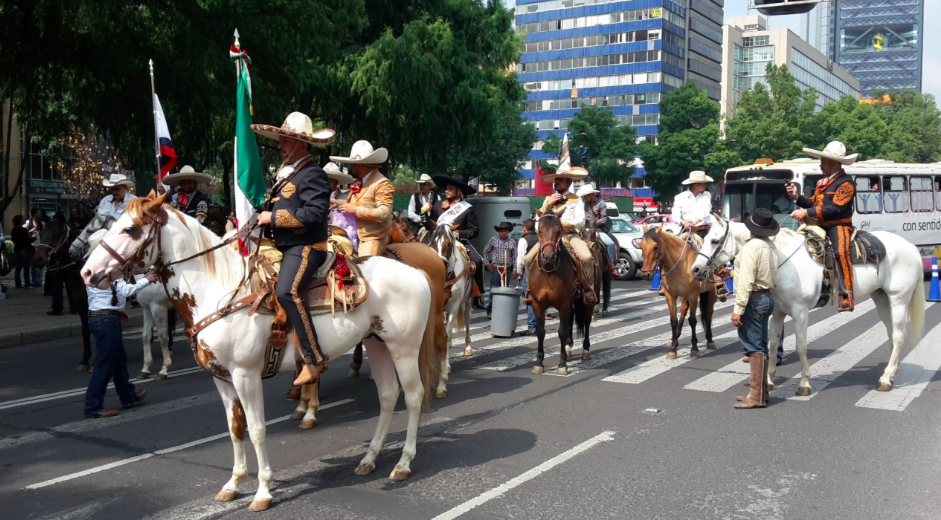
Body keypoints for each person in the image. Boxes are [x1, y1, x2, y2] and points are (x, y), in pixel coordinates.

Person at [252, 111, 336, 386]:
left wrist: (273, 217)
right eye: (280, 140)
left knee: (287, 291)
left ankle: (314, 358)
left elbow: (315, 213)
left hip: (307, 246)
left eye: (285, 140)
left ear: (301, 144)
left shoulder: (313, 174)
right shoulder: (289, 174)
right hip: (284, 246)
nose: (280, 145)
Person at [82, 229, 153, 418]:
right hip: (106, 321)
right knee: (105, 363)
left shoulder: (93, 267)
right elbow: (126, 290)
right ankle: (93, 406)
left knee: (118, 359)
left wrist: (117, 309)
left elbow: (106, 293)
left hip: (102, 317)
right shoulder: (107, 269)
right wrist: (147, 280)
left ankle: (128, 395)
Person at [787, 141, 858, 312]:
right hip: (819, 224)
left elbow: (834, 208)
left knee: (840, 252)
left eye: (823, 162)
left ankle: (847, 293)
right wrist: (797, 197)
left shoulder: (846, 183)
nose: (820, 165)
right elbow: (814, 203)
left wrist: (806, 212)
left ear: (834, 163)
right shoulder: (824, 183)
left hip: (838, 225)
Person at [728, 208, 779, 410]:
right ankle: (761, 393)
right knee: (761, 346)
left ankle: (756, 396)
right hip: (766, 296)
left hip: (754, 299)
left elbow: (747, 280)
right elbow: (761, 273)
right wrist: (732, 273)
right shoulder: (769, 246)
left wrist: (738, 309)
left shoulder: (750, 247)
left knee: (754, 347)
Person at [535, 166, 597, 304]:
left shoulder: (577, 199)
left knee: (586, 257)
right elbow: (537, 222)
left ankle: (588, 290)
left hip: (569, 236)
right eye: (556, 180)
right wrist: (548, 205)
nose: (557, 182)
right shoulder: (548, 199)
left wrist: (561, 224)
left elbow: (581, 221)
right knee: (528, 258)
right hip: (549, 238)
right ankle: (531, 290)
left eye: (560, 180)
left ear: (568, 182)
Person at [427, 172, 484, 309]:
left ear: (459, 191)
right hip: (438, 241)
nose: (446, 191)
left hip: (458, 242)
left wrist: (457, 233)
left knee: (477, 260)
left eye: (450, 189)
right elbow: (430, 226)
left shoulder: (467, 209)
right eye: (446, 188)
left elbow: (474, 231)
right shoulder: (438, 205)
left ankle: (478, 294)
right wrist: (425, 215)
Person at [671, 170, 728, 301]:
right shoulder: (680, 197)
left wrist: (694, 222)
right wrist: (683, 222)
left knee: (714, 251)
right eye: (703, 183)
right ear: (696, 184)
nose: (705, 186)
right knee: (670, 251)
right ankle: (666, 282)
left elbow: (705, 211)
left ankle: (718, 282)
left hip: (703, 230)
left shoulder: (706, 195)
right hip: (686, 230)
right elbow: (675, 214)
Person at [332, 141, 394, 257]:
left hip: (371, 237)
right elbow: (354, 203)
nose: (350, 167)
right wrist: (337, 203)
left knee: (362, 267)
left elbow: (384, 213)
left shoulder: (382, 184)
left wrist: (355, 210)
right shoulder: (359, 182)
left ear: (359, 165)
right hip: (351, 233)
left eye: (352, 164)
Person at [484, 222, 517, 318]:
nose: (503, 233)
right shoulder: (493, 240)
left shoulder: (512, 242)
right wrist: (487, 263)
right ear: (499, 232)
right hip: (496, 268)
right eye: (501, 231)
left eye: (505, 231)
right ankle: (490, 311)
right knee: (494, 289)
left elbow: (515, 256)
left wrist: (515, 269)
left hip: (507, 268)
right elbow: (485, 251)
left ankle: (502, 310)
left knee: (504, 290)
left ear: (508, 232)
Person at [578, 183, 616, 267]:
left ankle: (611, 265)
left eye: (585, 196)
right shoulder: (585, 204)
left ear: (591, 195)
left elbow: (604, 219)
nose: (584, 198)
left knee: (610, 243)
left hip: (598, 229)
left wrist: (594, 223)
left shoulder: (601, 204)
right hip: (586, 228)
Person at [514, 219, 539, 335]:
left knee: (529, 299)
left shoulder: (523, 240)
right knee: (539, 299)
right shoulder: (539, 238)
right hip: (541, 272)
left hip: (529, 272)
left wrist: (519, 272)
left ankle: (532, 326)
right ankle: (539, 326)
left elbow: (521, 259)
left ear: (525, 228)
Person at [45, 211, 70, 316]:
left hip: (59, 260)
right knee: (69, 285)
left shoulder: (57, 229)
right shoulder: (68, 228)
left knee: (57, 286)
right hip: (68, 260)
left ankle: (57, 308)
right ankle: (73, 306)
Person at [11, 215, 34, 289]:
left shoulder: (14, 230)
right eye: (23, 218)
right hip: (25, 250)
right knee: (26, 267)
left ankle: (18, 284)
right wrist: (33, 238)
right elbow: (27, 240)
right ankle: (27, 284)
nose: (24, 219)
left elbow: (14, 240)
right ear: (20, 220)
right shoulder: (23, 230)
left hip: (17, 249)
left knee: (18, 267)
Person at [26, 207, 46, 288]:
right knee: (33, 265)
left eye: (41, 213)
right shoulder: (28, 223)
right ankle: (33, 280)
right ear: (34, 214)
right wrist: (31, 230)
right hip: (31, 246)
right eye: (39, 213)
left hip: (40, 246)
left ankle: (38, 281)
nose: (40, 215)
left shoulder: (42, 224)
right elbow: (23, 233)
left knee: (39, 264)